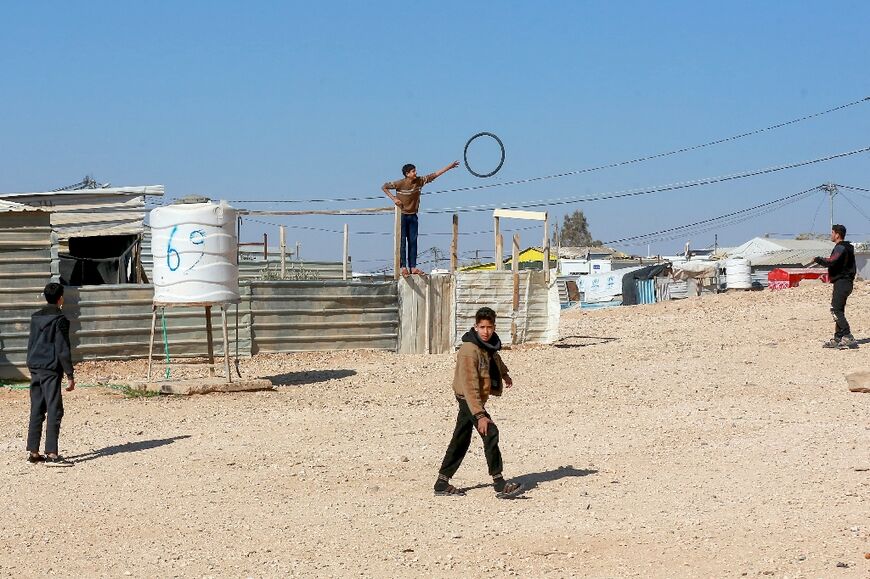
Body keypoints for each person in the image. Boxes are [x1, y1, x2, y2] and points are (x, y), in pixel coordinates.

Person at [433, 307, 523, 499]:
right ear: (475, 326)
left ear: (493, 327)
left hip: (473, 400)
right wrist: (480, 415)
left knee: (460, 439)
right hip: (468, 399)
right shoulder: (468, 350)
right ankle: (499, 484)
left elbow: (494, 358)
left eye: (489, 327)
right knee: (490, 432)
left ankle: (441, 482)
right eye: (482, 327)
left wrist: (504, 374)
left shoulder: (486, 345)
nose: (486, 331)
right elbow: (469, 385)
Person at [25, 282, 76, 466]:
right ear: (60, 298)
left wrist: (30, 363)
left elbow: (31, 343)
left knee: (37, 408)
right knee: (55, 409)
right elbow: (62, 349)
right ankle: (52, 454)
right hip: (50, 369)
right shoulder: (59, 320)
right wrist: (70, 375)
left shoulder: (35, 317)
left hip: (35, 366)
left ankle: (33, 451)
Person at [382, 160, 459, 276]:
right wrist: (394, 199)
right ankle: (403, 267)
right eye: (413, 171)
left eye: (415, 171)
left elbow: (435, 175)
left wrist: (449, 167)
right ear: (407, 174)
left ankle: (413, 267)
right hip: (402, 215)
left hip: (413, 215)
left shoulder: (420, 181)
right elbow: (384, 187)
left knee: (413, 241)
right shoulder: (400, 183)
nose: (415, 173)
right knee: (402, 241)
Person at [813, 224, 857, 349]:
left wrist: (818, 259)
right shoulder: (847, 248)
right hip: (844, 282)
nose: (831, 235)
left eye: (832, 232)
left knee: (835, 310)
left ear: (837, 234)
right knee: (839, 310)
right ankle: (838, 338)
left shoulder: (841, 247)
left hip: (843, 282)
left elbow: (831, 261)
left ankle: (848, 335)